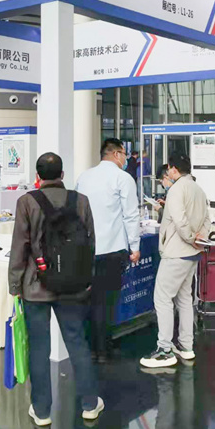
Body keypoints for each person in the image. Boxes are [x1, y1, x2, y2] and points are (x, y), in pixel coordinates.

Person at [9, 152, 104, 426]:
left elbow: (20, 247)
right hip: (72, 287)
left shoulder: (27, 202)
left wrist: (15, 284)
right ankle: (89, 404)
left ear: (37, 176)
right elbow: (90, 244)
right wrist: (88, 277)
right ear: (62, 175)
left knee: (39, 348)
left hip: (35, 287)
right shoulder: (80, 200)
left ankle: (41, 411)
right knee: (77, 342)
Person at [141, 154, 210, 369]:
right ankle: (186, 346)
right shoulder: (198, 189)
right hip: (192, 253)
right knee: (184, 299)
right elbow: (207, 219)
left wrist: (190, 237)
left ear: (173, 169)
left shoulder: (177, 189)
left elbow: (180, 221)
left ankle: (165, 350)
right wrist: (199, 239)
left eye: (169, 169)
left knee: (162, 298)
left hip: (176, 252)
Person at [76, 138, 140, 362]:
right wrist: (135, 246)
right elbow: (131, 215)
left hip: (86, 250)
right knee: (107, 302)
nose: (125, 158)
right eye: (124, 154)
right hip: (112, 249)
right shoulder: (123, 178)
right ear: (116, 154)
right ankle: (103, 350)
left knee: (89, 300)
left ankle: (91, 348)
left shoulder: (84, 177)